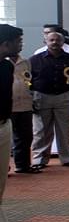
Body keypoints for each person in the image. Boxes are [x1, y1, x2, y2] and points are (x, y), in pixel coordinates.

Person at [30, 32, 69, 168]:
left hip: (65, 96)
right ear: (46, 42)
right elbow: (28, 81)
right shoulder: (34, 60)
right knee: (41, 131)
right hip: (41, 97)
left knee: (66, 129)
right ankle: (39, 160)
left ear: (63, 42)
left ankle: (68, 158)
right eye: (51, 40)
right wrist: (31, 98)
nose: (54, 42)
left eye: (58, 40)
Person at [0, 25, 24, 194]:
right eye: (18, 41)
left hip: (3, 125)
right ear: (6, 44)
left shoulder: (7, 66)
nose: (21, 45)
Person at [9, 50, 37, 175]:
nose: (20, 45)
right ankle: (3, 168)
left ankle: (23, 166)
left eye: (21, 42)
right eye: (17, 41)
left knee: (25, 137)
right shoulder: (3, 62)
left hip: (25, 105)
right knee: (4, 139)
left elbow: (29, 80)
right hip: (7, 106)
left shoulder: (26, 62)